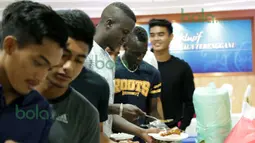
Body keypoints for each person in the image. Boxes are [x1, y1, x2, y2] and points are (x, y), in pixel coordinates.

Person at [85, 2, 158, 143]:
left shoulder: (107, 60)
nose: (125, 39)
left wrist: (142, 132)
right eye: (124, 32)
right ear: (109, 23)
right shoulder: (84, 53)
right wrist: (118, 108)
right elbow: (81, 108)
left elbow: (106, 115)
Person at [0, 1, 68, 142]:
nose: (42, 77)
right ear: (10, 46)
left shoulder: (40, 110)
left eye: (49, 68)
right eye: (38, 63)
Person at [35, 10, 100, 143]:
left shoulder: (86, 114)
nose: (69, 67)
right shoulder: (10, 95)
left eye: (79, 60)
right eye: (64, 55)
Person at [114, 26, 164, 143]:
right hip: (114, 136)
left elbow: (154, 109)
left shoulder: (152, 73)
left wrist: (160, 131)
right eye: (135, 53)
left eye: (143, 53)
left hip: (142, 136)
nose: (140, 57)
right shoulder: (111, 69)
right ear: (125, 46)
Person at [149, 19, 195, 131]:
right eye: (152, 35)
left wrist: (182, 127)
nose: (156, 39)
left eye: (161, 34)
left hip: (172, 130)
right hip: (145, 130)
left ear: (171, 37)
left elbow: (190, 101)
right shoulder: (142, 66)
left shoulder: (182, 67)